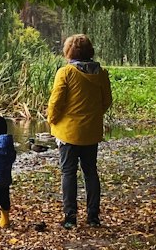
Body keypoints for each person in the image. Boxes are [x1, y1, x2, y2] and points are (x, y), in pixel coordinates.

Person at [47, 34, 112, 229]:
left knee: (68, 172)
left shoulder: (66, 73)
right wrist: (92, 115)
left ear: (69, 52)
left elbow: (55, 103)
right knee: (90, 172)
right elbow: (106, 101)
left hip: (68, 133)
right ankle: (93, 217)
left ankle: (70, 217)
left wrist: (52, 120)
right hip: (91, 133)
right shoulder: (101, 74)